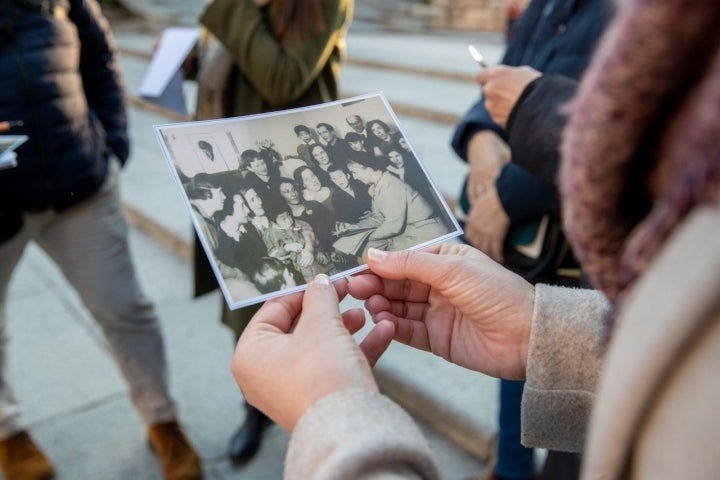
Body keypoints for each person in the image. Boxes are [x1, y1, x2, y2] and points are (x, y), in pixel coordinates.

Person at [228, 0, 720, 478]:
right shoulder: (552, 11)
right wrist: (540, 331)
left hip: (552, 242)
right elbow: (490, 100)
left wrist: (330, 413)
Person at [0, 1, 202, 479]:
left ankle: (163, 420)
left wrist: (113, 142)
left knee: (126, 309)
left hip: (81, 183)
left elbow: (99, 54)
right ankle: (8, 431)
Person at [451, 1, 612, 478]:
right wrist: (482, 145)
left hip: (581, 244)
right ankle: (510, 467)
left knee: (572, 391)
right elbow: (499, 79)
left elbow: (625, 138)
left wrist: (506, 197)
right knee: (517, 350)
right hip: (527, 240)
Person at [191, 0, 353, 464]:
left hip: (287, 175)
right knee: (245, 301)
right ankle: (256, 408)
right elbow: (234, 66)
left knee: (301, 305)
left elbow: (280, 80)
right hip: (235, 172)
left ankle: (313, 415)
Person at [343, 152, 450, 255]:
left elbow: (394, 227)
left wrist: (364, 237)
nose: (355, 178)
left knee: (373, 256)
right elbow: (378, 217)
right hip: (411, 232)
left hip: (427, 233)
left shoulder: (390, 186)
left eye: (354, 172)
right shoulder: (375, 187)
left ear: (367, 167)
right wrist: (353, 228)